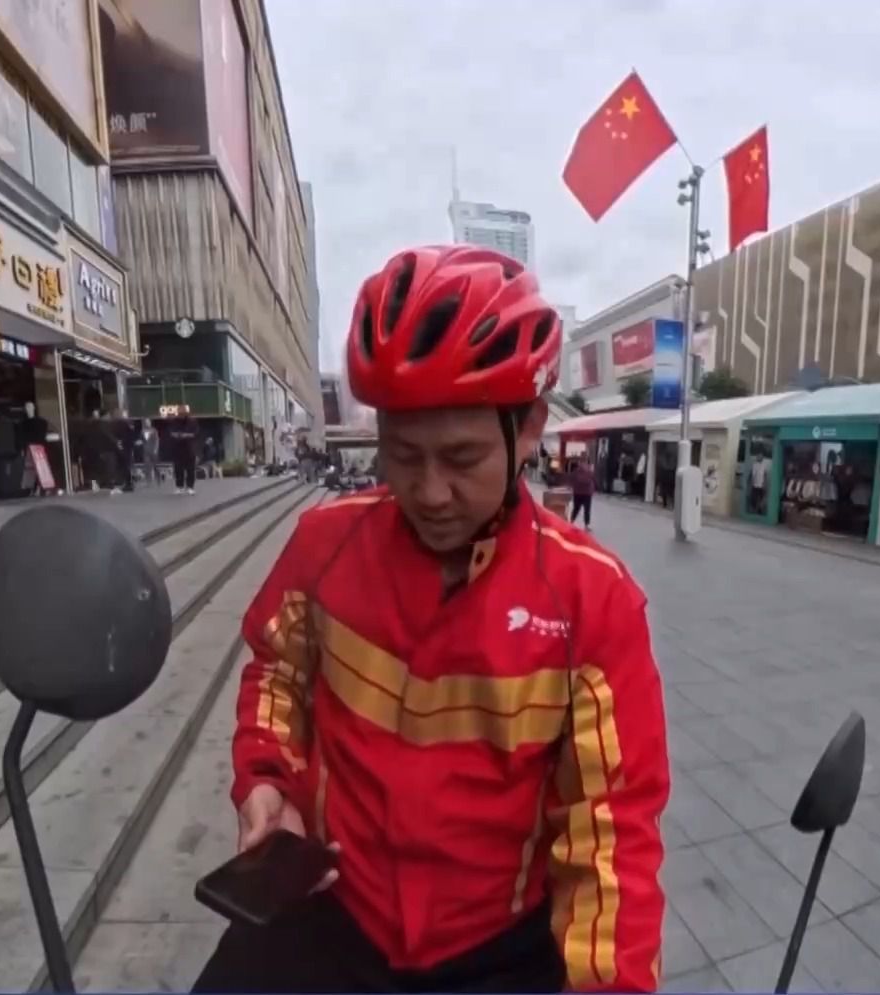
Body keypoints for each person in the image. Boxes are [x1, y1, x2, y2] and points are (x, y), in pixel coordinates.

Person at [194, 245, 668, 994]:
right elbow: (277, 673)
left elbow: (611, 836)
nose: (431, 491)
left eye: (462, 457)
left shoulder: (592, 600)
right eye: (404, 455)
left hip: (496, 950)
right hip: (331, 910)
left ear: (529, 427)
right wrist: (267, 778)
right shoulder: (323, 545)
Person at [165, 406, 200, 494]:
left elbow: (196, 434)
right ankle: (179, 486)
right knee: (178, 469)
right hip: (177, 448)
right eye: (179, 414)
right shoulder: (174, 421)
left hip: (189, 448)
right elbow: (170, 432)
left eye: (182, 414)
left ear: (186, 413)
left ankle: (190, 487)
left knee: (190, 469)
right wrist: (176, 435)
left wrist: (186, 435)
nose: (181, 415)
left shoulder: (192, 421)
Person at [566, 456, 598, 530]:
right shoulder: (589, 470)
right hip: (587, 493)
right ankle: (586, 525)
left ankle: (571, 522)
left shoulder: (576, 470)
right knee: (587, 509)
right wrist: (596, 488)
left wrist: (570, 486)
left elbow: (570, 479)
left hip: (577, 492)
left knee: (576, 508)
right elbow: (594, 479)